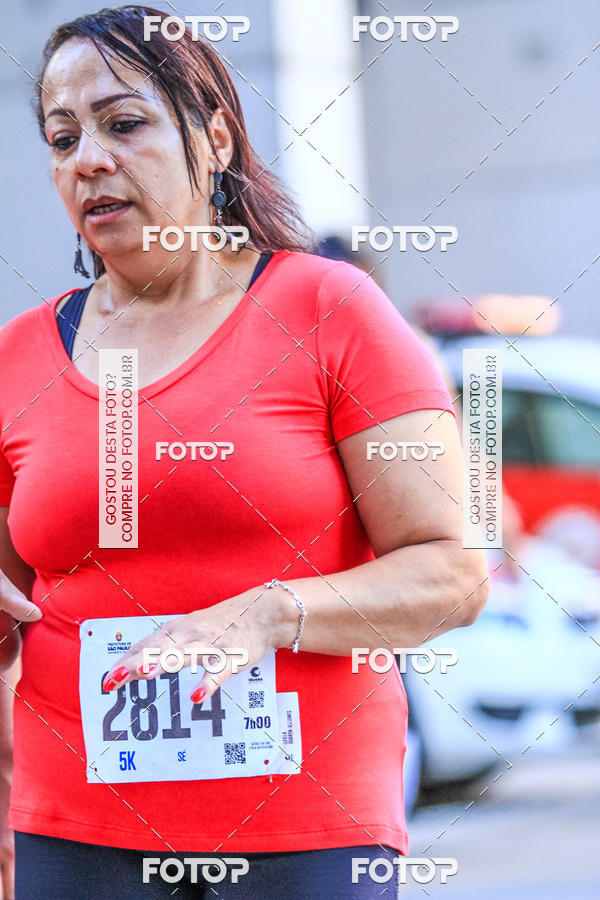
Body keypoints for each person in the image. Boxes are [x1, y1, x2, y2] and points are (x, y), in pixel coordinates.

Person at [0, 6, 488, 898]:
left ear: (215, 137)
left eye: (125, 123)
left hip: (304, 836)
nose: (88, 160)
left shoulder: (326, 309)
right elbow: (12, 595)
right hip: (72, 833)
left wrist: (267, 613)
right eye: (62, 137)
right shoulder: (18, 355)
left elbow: (450, 577)